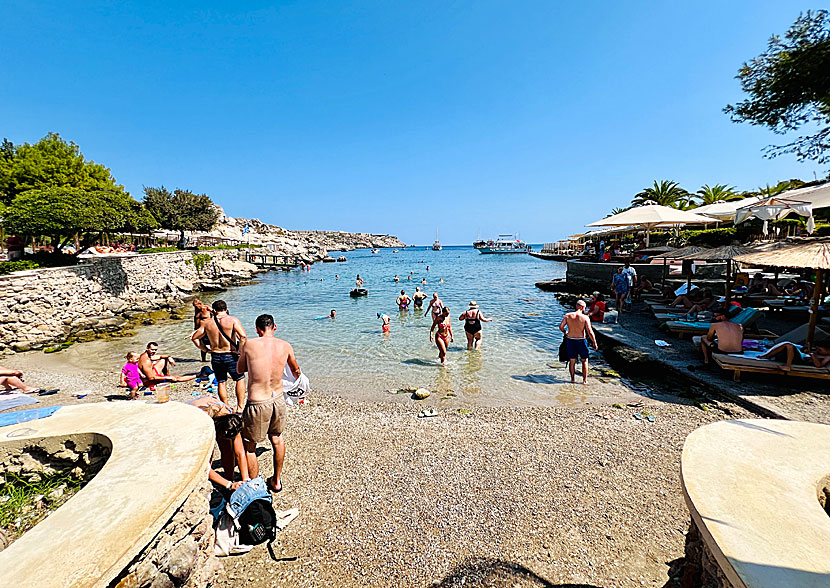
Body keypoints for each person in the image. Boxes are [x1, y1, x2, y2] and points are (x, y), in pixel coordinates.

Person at [236, 313, 301, 493]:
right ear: (275, 327)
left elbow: (240, 369)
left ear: (257, 330)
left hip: (257, 402)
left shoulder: (250, 344)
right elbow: (296, 371)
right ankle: (277, 481)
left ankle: (256, 486)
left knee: (250, 447)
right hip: (278, 399)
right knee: (277, 439)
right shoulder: (285, 346)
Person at [191, 300, 248, 411]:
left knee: (221, 381)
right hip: (230, 354)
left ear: (213, 310)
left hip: (216, 355)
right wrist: (240, 351)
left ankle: (225, 407)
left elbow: (194, 338)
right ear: (226, 309)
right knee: (239, 379)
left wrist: (205, 350)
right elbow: (243, 337)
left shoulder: (207, 323)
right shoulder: (232, 320)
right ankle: (240, 407)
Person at [189, 395, 250, 490]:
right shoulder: (204, 424)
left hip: (217, 420)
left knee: (227, 450)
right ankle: (206, 483)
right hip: (192, 420)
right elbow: (204, 466)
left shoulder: (230, 418)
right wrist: (229, 485)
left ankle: (229, 477)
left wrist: (246, 479)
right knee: (204, 459)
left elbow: (240, 453)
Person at [558, 300, 598, 384]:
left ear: (576, 306)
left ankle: (572, 380)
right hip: (581, 341)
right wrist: (594, 342)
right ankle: (584, 381)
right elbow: (590, 332)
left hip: (571, 340)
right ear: (583, 307)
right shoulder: (585, 317)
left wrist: (566, 332)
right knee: (584, 360)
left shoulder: (568, 315)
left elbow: (561, 327)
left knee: (572, 361)